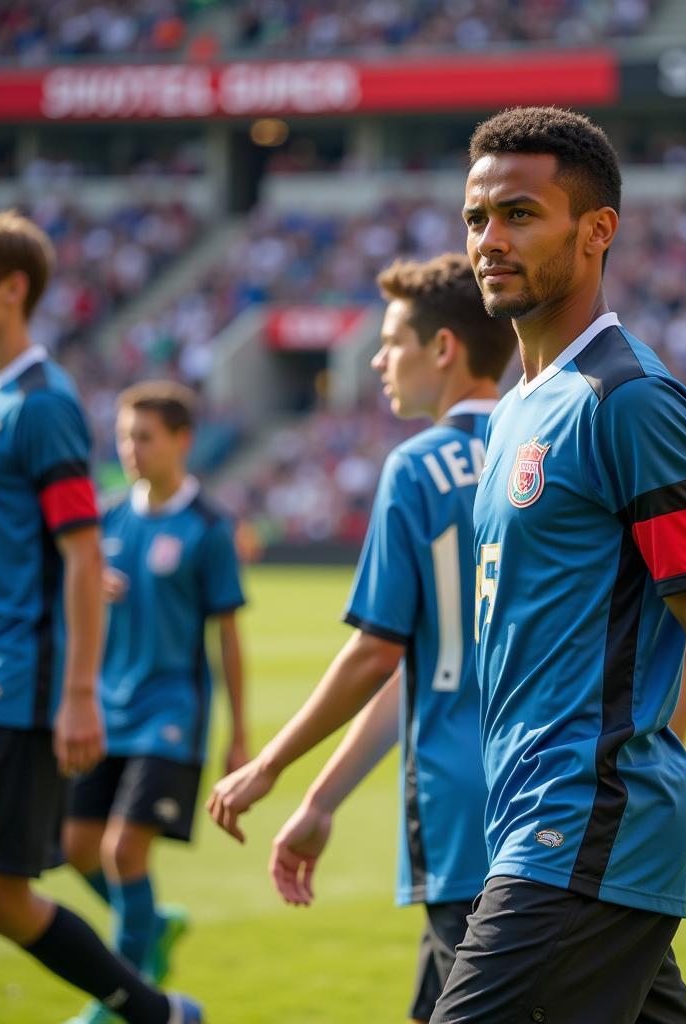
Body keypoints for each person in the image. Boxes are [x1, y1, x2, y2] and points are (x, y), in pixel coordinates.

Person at [431, 106, 686, 1024]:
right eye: (477, 218)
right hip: (540, 816)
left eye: (520, 214)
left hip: (583, 821)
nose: (490, 239)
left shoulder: (629, 398)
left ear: (597, 229)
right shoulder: (523, 404)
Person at [208, 253, 518, 1023]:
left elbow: (383, 652)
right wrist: (324, 798)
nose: (378, 358)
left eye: (391, 340)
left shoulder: (418, 467)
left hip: (460, 805)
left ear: (442, 348)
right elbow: (424, 664)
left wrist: (273, 767)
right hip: (566, 795)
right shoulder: (553, 445)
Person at [0, 210, 201, 1023]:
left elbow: (80, 555)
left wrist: (77, 693)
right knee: (4, 903)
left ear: (12, 287)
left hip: (16, 686)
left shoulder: (42, 404)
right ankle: (159, 1015)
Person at [62, 381, 247, 1024]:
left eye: (144, 437)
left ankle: (122, 998)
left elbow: (228, 633)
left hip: (170, 713)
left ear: (181, 441)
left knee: (121, 853)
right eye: (122, 438)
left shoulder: (207, 527)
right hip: (107, 710)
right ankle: (149, 925)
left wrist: (240, 732)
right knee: (73, 845)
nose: (131, 450)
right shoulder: (109, 518)